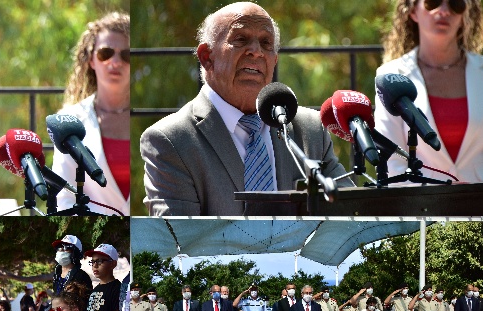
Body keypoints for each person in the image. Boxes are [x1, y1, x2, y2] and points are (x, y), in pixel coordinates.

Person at [140, 2, 352, 216]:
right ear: (207, 57)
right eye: (241, 39)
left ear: (274, 61)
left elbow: (347, 213)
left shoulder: (311, 130)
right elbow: (179, 237)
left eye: (266, 43)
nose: (256, 51)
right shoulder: (171, 141)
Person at [376, 0, 483, 183]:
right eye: (432, 2)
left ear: (465, 15)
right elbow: (391, 161)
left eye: (455, 4)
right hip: (421, 208)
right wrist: (433, 200)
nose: (444, 11)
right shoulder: (390, 75)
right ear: (412, 12)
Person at [52, 12, 130, 216]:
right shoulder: (70, 120)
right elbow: (65, 198)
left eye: (126, 54)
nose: (115, 61)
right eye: (106, 53)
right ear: (91, 60)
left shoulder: (151, 116)